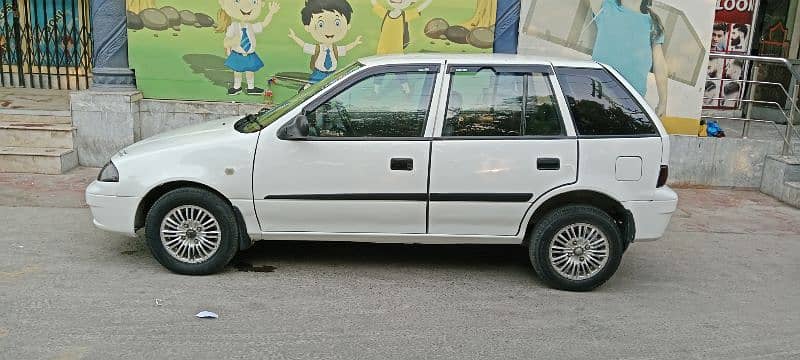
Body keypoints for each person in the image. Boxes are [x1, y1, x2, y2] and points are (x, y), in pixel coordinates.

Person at [588, 0, 669, 116]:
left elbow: (660, 64)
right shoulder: (606, 6)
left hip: (632, 101)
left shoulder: (653, 22)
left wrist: (663, 102)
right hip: (598, 94)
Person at [288, 0, 364, 84]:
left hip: (332, 75)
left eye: (337, 23)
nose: (329, 30)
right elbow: (304, 45)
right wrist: (294, 37)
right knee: (312, 88)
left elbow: (345, 49)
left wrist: (355, 43)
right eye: (321, 24)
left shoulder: (335, 49)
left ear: (347, 26)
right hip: (318, 74)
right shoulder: (317, 48)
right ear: (308, 27)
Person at [216, 0, 280, 95]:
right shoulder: (233, 26)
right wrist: (232, 41)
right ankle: (237, 87)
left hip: (249, 54)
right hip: (238, 54)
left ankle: (251, 87)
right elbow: (226, 41)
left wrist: (271, 12)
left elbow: (263, 24)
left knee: (250, 71)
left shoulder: (251, 26)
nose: (246, 6)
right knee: (237, 71)